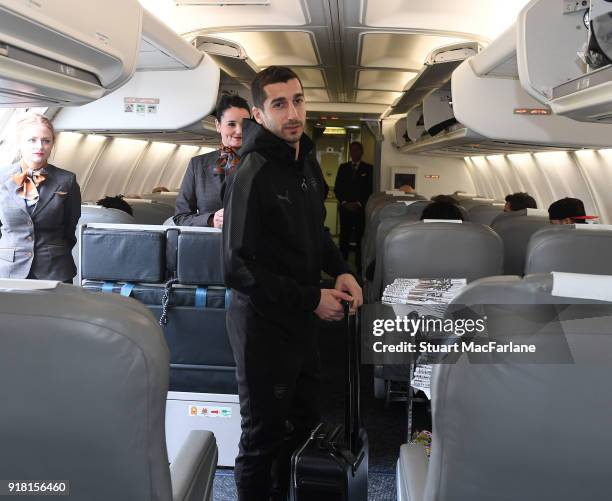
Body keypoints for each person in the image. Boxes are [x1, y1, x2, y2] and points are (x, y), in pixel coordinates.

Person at [223, 66, 363, 501]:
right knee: (263, 437)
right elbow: (236, 267)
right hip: (263, 326)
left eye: (298, 100)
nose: (293, 112)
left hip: (301, 320)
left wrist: (341, 268)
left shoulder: (305, 162)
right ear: (259, 114)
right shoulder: (253, 171)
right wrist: (310, 299)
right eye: (279, 104)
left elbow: (316, 231)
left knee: (302, 426)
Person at [0, 113, 81, 281]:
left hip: (54, 269)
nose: (40, 146)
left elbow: (69, 228)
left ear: (52, 144)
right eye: (32, 140)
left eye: (46, 140)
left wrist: (54, 252)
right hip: (8, 269)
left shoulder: (67, 180)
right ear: (20, 143)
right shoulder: (1, 178)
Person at [173, 94, 251, 228]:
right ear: (218, 125)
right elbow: (181, 217)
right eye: (231, 124)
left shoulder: (263, 163)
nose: (239, 131)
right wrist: (211, 220)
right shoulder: (197, 166)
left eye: (245, 124)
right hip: (210, 245)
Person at [334, 141, 373, 274]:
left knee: (360, 238)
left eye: (357, 150)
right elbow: (338, 187)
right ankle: (341, 267)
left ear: (361, 152)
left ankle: (359, 267)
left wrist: (358, 203)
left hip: (360, 210)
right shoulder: (343, 168)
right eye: (352, 150)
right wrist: (345, 203)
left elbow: (370, 190)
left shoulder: (369, 169)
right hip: (345, 209)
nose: (354, 152)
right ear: (349, 152)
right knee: (343, 238)